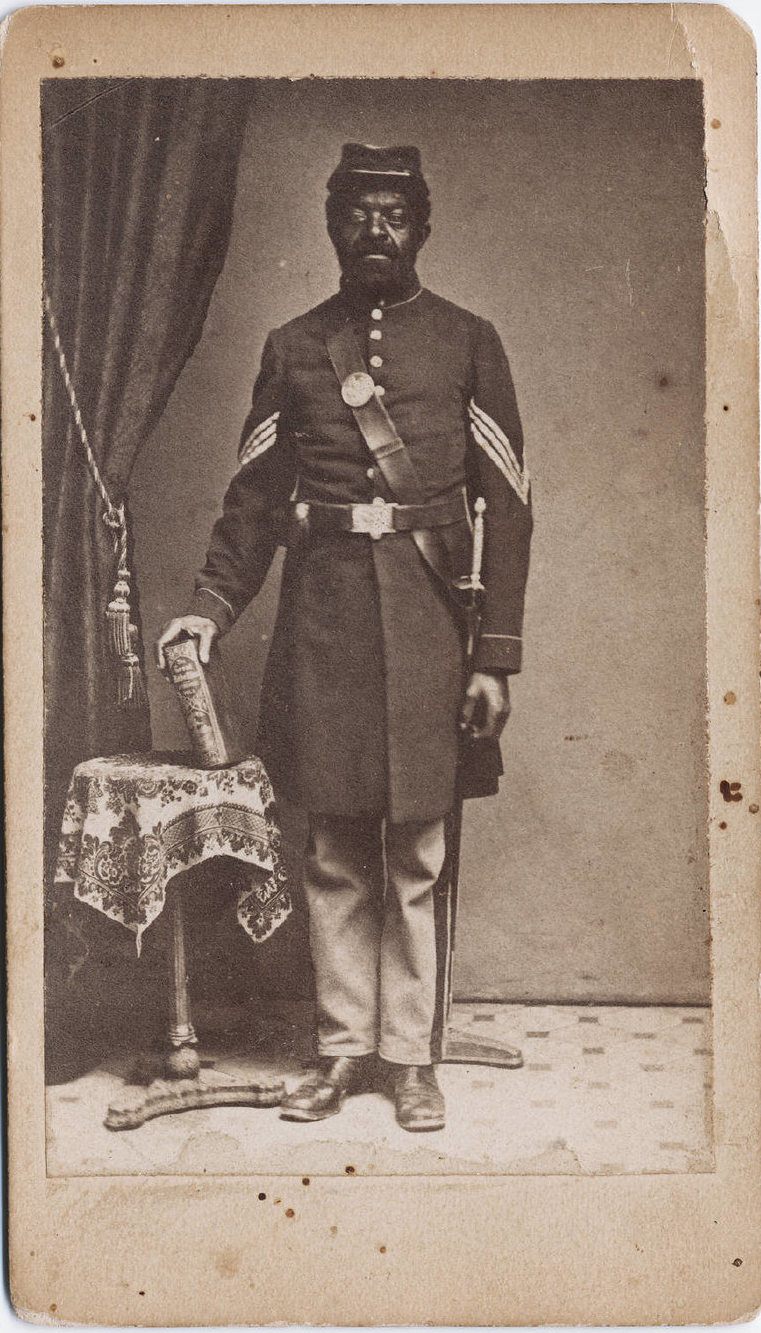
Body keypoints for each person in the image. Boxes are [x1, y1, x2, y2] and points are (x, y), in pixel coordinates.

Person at [157, 143, 532, 1132]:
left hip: (426, 630)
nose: (375, 229)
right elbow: (250, 505)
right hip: (319, 625)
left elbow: (509, 507)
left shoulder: (466, 340)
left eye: (392, 212)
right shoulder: (292, 347)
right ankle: (339, 1050)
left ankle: (410, 1058)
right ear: (332, 224)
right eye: (357, 212)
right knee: (328, 847)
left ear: (419, 223)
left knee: (415, 848)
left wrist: (492, 655)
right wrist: (209, 603)